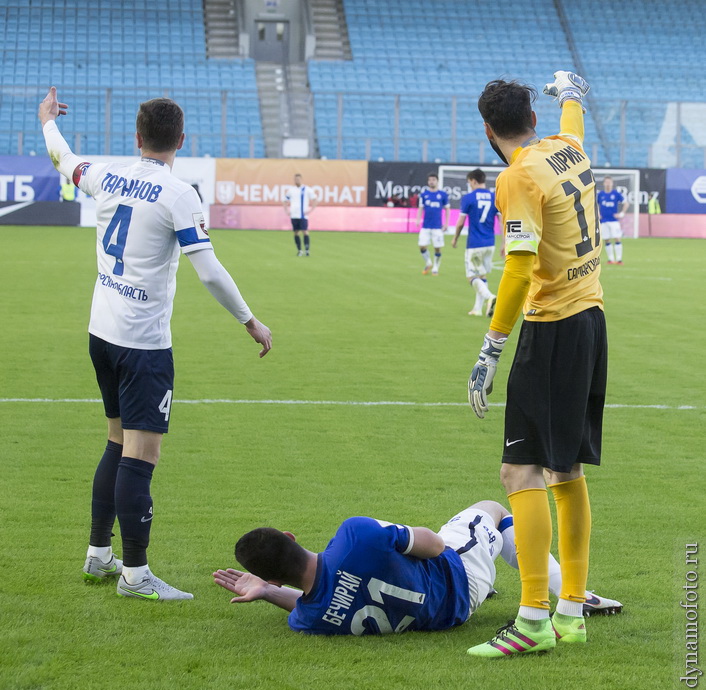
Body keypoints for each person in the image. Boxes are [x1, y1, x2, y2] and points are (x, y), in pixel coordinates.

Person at [38, 87, 272, 601]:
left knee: (116, 443)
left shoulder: (105, 173)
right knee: (141, 456)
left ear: (137, 137)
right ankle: (136, 576)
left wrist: (46, 120)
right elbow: (208, 271)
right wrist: (249, 320)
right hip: (143, 345)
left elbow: (63, 158)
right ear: (181, 140)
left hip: (101, 332)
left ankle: (99, 556)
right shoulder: (178, 193)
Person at [467, 72, 606, 657]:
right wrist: (571, 93)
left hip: (550, 331)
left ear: (488, 128)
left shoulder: (518, 175)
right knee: (566, 471)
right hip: (592, 320)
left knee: (518, 474)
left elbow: (520, 267)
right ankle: (570, 611)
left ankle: (532, 620)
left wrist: (491, 347)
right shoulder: (567, 148)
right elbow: (572, 119)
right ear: (533, 115)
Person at [212, 499, 622, 636]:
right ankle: (571, 593)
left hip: (449, 616)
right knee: (492, 510)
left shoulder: (310, 620)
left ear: (273, 579)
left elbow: (305, 603)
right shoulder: (354, 536)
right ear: (291, 536)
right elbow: (435, 544)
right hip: (460, 574)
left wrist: (265, 592)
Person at [452, 169, 499, 317]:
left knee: (471, 277)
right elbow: (502, 220)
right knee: (482, 276)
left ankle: (489, 297)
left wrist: (455, 238)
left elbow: (460, 223)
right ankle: (477, 309)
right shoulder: (494, 197)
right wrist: (505, 242)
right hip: (490, 242)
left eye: (469, 183)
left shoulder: (468, 198)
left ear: (473, 180)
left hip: (475, 243)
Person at [415, 173, 450, 275]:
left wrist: (446, 223)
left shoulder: (443, 195)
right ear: (428, 182)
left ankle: (435, 268)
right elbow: (421, 208)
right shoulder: (424, 195)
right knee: (421, 246)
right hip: (425, 226)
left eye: (433, 180)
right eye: (430, 180)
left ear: (437, 181)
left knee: (437, 248)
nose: (431, 181)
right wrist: (418, 219)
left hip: (437, 227)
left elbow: (447, 209)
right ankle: (428, 262)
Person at [283, 173, 319, 256]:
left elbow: (315, 199)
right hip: (294, 215)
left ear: (301, 179)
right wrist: (286, 210)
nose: (297, 180)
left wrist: (311, 210)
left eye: (298, 179)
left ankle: (307, 250)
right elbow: (285, 200)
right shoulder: (291, 190)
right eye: (295, 179)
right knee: (296, 232)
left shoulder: (307, 189)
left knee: (305, 231)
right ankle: (299, 250)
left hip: (303, 215)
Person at [597, 176, 628, 265]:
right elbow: (595, 205)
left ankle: (619, 259)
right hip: (604, 221)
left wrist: (622, 213)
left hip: (614, 221)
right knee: (606, 239)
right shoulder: (600, 194)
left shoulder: (616, 194)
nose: (608, 184)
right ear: (604, 183)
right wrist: (598, 213)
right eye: (606, 182)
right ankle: (610, 259)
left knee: (617, 238)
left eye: (609, 182)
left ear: (612, 183)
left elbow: (626, 203)